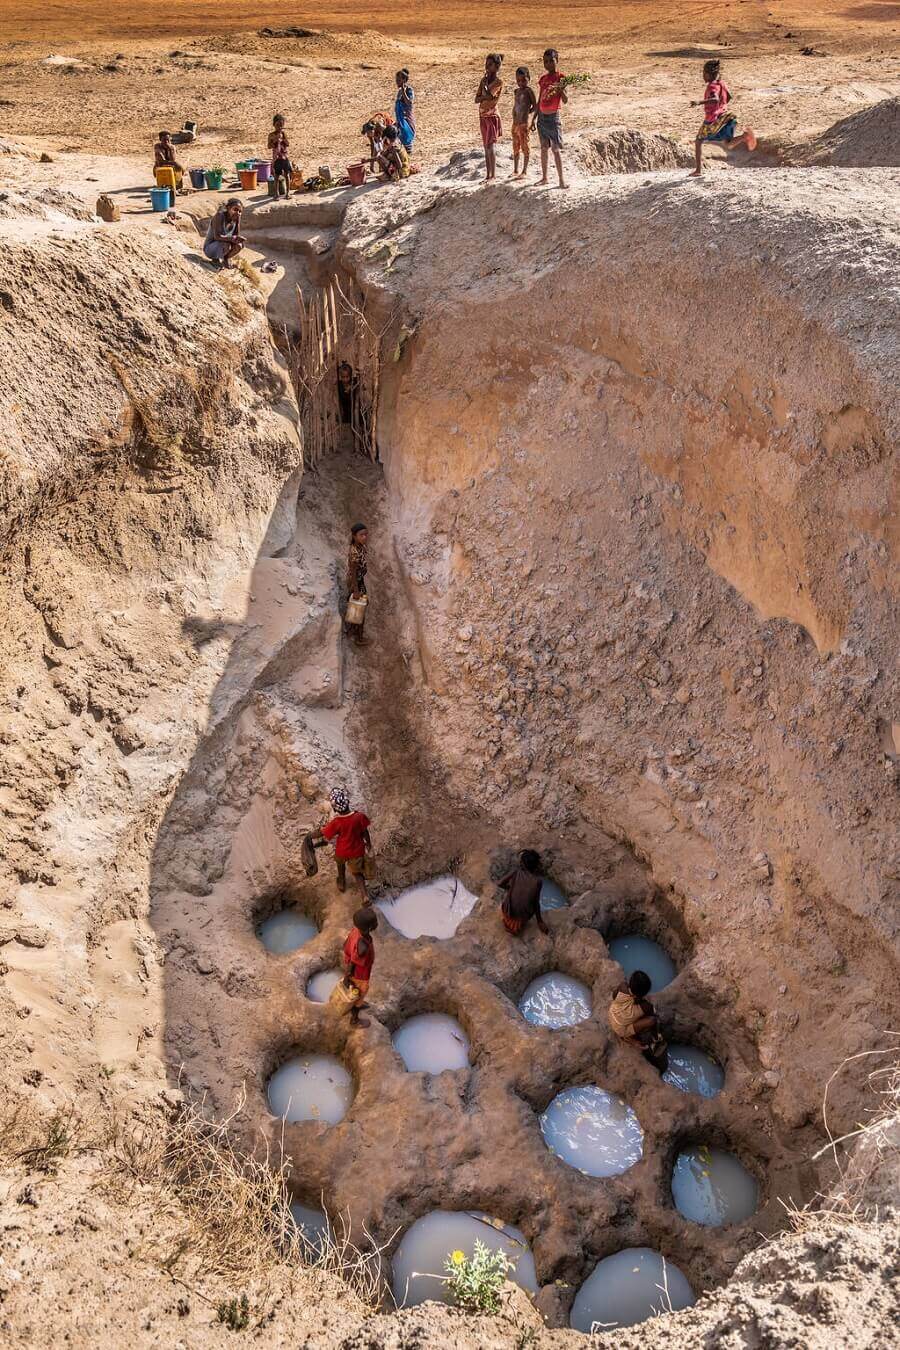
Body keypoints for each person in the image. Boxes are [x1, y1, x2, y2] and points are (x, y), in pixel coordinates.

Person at [690, 59, 757, 177]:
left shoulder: (712, 86)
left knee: (698, 141)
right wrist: (723, 106)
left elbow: (715, 99)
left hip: (713, 119)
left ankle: (698, 170)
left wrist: (699, 102)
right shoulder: (722, 84)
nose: (703, 76)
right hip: (726, 117)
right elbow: (729, 96)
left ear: (708, 74)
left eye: (703, 73)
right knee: (728, 144)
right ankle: (744, 136)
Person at [313, 788, 373, 900]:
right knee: (357, 873)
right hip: (356, 850)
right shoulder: (359, 816)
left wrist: (311, 838)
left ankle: (341, 882)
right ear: (348, 802)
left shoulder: (337, 822)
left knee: (340, 865)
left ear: (335, 809)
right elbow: (365, 831)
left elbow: (325, 833)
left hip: (342, 851)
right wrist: (368, 844)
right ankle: (364, 896)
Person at [608, 970, 669, 1074]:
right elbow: (652, 1017)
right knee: (652, 1020)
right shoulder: (646, 1006)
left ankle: (628, 1031)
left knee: (632, 1015)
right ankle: (630, 1038)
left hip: (611, 1014)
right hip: (621, 1029)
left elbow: (614, 996)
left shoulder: (622, 986)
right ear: (644, 993)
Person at [334, 906, 378, 1028]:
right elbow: (354, 961)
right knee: (359, 992)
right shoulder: (363, 946)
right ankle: (354, 1019)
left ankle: (357, 1003)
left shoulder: (356, 930)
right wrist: (348, 976)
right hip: (359, 974)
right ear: (370, 927)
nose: (377, 924)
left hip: (356, 970)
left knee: (356, 990)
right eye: (376, 922)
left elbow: (346, 944)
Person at [533, 49, 568, 188]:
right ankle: (544, 177)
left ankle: (561, 180)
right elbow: (540, 98)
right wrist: (534, 118)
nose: (548, 64)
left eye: (551, 61)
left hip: (553, 117)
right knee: (543, 148)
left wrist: (560, 90)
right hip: (542, 117)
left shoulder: (561, 78)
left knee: (555, 149)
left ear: (557, 61)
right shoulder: (543, 79)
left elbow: (565, 100)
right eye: (545, 61)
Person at [498, 850, 550, 937]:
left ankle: (508, 923)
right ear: (536, 866)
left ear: (522, 863)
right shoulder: (537, 882)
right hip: (518, 923)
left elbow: (500, 883)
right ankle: (515, 928)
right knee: (532, 903)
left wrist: (510, 889)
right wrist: (540, 922)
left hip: (506, 912)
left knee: (512, 894)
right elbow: (536, 904)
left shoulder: (516, 872)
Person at [475, 53, 504, 182]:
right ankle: (488, 175)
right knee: (486, 146)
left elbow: (490, 96)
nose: (487, 66)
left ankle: (493, 175)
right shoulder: (483, 80)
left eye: (490, 64)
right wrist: (485, 94)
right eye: (486, 64)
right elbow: (477, 98)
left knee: (491, 146)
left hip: (491, 116)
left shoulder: (498, 82)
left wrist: (485, 90)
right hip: (483, 116)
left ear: (497, 67)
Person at [344, 522, 369, 644]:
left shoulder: (360, 546)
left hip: (359, 580)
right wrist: (356, 590)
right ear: (354, 536)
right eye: (361, 535)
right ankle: (359, 638)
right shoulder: (354, 552)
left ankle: (352, 629)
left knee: (357, 606)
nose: (364, 537)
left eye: (366, 534)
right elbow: (353, 573)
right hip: (356, 582)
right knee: (360, 607)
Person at [203, 199, 245, 269]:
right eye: (235, 209)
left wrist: (238, 239)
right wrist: (232, 239)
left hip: (222, 245)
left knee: (239, 245)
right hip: (210, 248)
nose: (238, 213)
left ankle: (225, 259)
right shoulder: (219, 216)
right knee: (227, 244)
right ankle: (215, 260)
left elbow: (235, 236)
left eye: (240, 211)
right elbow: (217, 237)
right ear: (228, 208)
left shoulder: (235, 219)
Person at [511, 66, 537, 178]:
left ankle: (524, 171)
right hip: (515, 124)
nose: (521, 83)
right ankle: (515, 170)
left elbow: (535, 106)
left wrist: (527, 113)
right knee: (515, 146)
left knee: (525, 146)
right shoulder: (516, 91)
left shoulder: (529, 91)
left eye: (524, 80)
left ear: (529, 79)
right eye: (518, 80)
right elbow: (516, 105)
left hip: (523, 124)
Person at [267, 113, 292, 196]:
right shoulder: (271, 135)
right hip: (277, 158)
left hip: (284, 157)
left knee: (287, 175)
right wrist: (275, 140)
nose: (280, 127)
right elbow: (269, 146)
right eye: (278, 125)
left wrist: (283, 140)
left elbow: (288, 144)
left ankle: (288, 193)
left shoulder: (284, 134)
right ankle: (276, 193)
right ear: (274, 125)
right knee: (276, 176)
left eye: (281, 125)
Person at [394, 69, 416, 153]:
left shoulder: (409, 90)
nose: (397, 82)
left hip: (406, 121)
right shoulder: (399, 92)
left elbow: (409, 103)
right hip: (400, 121)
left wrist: (404, 91)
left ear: (404, 80)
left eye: (399, 80)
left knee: (406, 141)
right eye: (396, 80)